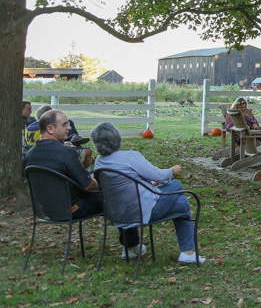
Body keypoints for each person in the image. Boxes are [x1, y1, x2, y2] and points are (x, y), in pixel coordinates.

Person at [23, 111, 142, 258]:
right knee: (118, 196)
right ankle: (131, 246)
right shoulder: (65, 153)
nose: (69, 128)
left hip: (46, 211)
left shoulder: (30, 155)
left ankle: (130, 245)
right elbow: (87, 185)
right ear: (50, 129)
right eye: (64, 124)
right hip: (72, 209)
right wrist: (105, 182)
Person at [91, 122, 204, 264]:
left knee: (181, 204)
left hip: (116, 213)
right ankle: (187, 252)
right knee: (177, 185)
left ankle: (131, 247)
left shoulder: (100, 162)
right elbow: (159, 175)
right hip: (141, 212)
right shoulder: (129, 157)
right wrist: (172, 171)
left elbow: (125, 183)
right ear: (117, 139)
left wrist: (150, 183)